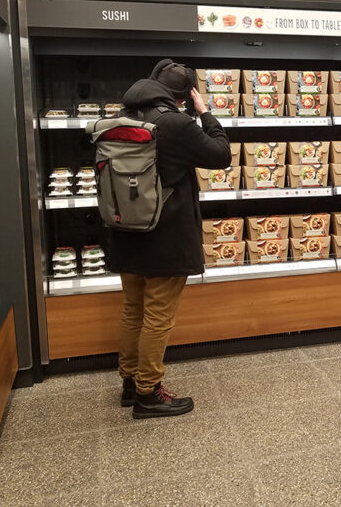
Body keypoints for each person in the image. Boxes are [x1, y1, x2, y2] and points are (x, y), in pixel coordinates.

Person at [108, 59, 231, 419]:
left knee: (133, 309)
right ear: (185, 95)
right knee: (158, 316)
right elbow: (221, 155)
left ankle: (130, 382)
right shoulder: (175, 123)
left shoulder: (121, 117)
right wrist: (204, 113)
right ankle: (149, 393)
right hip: (165, 233)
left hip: (124, 229)